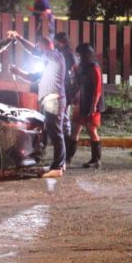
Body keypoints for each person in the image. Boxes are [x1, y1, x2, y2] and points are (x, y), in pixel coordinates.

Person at [7, 30, 66, 178]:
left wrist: (20, 37)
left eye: (40, 47)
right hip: (51, 99)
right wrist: (17, 71)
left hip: (54, 99)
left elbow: (34, 51)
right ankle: (59, 164)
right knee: (55, 132)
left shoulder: (55, 56)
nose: (38, 49)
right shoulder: (50, 63)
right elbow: (33, 77)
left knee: (56, 133)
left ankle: (58, 168)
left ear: (46, 46)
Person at [69, 43, 104, 168]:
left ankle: (96, 159)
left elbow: (97, 88)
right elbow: (76, 84)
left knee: (91, 130)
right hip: (81, 101)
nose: (77, 56)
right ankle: (67, 158)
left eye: (79, 54)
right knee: (75, 129)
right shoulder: (79, 67)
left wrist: (94, 105)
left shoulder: (94, 67)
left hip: (91, 102)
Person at [55, 32, 77, 164]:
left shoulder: (67, 54)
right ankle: (64, 147)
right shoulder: (64, 52)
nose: (55, 43)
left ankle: (66, 147)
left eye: (56, 41)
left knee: (64, 117)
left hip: (65, 88)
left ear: (61, 41)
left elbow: (67, 70)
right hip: (64, 87)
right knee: (63, 117)